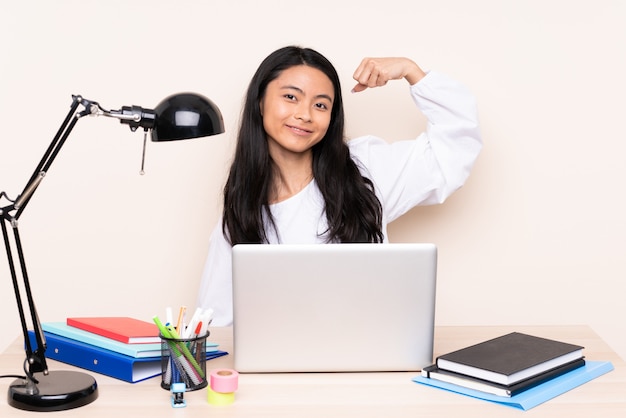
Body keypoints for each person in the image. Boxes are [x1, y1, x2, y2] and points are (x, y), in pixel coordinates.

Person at [197, 46, 482, 325]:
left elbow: (453, 154)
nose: (305, 114)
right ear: (260, 102)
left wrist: (411, 70)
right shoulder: (239, 218)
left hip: (371, 355)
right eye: (290, 97)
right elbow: (215, 323)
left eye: (320, 105)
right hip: (283, 369)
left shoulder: (366, 168)